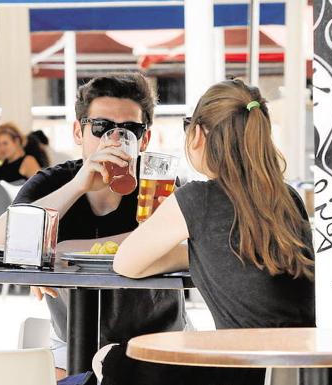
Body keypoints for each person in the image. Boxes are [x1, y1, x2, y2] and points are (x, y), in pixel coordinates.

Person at [111, 79, 315, 385]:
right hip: (303, 369)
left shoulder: (198, 198)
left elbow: (124, 263)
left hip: (240, 370)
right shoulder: (288, 197)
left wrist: (187, 254)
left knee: (113, 360)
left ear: (198, 134)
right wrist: (196, 253)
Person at [0, 73, 188, 380]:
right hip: (72, 343)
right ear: (78, 133)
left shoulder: (158, 184)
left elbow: (186, 245)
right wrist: (78, 185)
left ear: (145, 139)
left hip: (159, 343)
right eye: (101, 127)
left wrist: (61, 250)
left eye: (130, 130)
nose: (115, 140)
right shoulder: (54, 183)